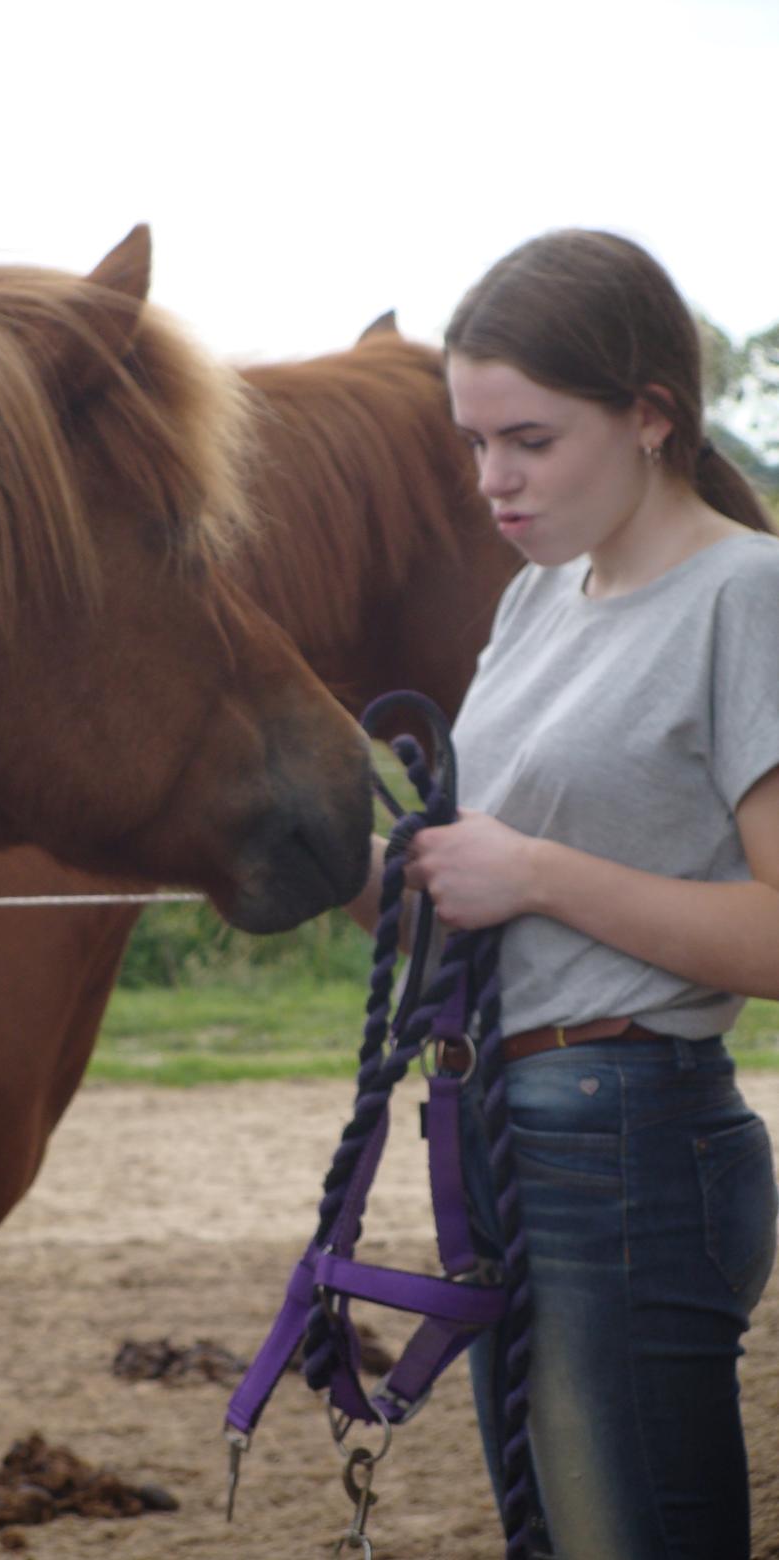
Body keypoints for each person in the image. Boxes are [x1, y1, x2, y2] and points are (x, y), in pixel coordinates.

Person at [350, 229, 779, 1560]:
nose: (493, 480)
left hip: (628, 1140)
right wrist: (382, 878)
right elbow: (486, 870)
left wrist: (528, 870)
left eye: (527, 439)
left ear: (649, 413)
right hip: (506, 1132)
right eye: (473, 443)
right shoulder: (537, 602)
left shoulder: (745, 597)